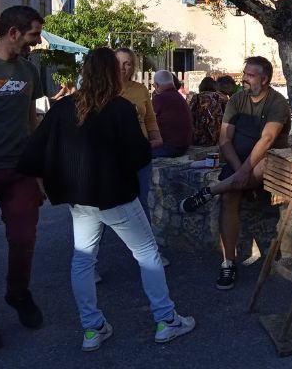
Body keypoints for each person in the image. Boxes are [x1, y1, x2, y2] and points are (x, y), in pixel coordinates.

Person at [17, 47, 194, 351]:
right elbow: (139, 154)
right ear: (112, 73)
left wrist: (47, 182)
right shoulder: (120, 108)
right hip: (116, 196)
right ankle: (166, 320)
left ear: (85, 73)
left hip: (79, 199)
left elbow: (33, 152)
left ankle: (91, 327)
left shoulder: (62, 109)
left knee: (83, 259)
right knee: (147, 253)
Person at [178, 56, 291, 290]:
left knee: (259, 166)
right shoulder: (237, 100)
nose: (244, 78)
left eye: (250, 75)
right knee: (229, 197)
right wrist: (240, 171)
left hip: (266, 160)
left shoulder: (277, 102)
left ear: (265, 79)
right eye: (245, 73)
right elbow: (224, 139)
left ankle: (210, 191)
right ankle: (228, 262)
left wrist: (245, 170)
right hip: (237, 162)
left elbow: (268, 139)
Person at [0, 6, 45, 351]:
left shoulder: (28, 70)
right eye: (33, 35)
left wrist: (38, 167)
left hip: (20, 169)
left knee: (24, 238)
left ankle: (18, 294)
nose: (36, 42)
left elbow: (31, 119)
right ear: (13, 32)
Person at [114, 48, 161, 222]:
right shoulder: (105, 89)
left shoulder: (140, 90)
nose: (122, 68)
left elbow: (149, 118)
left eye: (127, 64)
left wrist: (156, 137)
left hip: (140, 152)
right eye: (118, 63)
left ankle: (146, 246)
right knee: (108, 201)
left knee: (141, 200)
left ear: (133, 67)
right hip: (114, 155)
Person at [151, 70, 193, 157]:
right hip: (184, 146)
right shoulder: (179, 97)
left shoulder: (160, 98)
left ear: (157, 85)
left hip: (170, 147)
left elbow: (148, 119)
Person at [189, 77, 227, 146]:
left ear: (201, 86)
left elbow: (189, 115)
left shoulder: (196, 97)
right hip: (217, 137)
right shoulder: (222, 98)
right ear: (214, 86)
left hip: (199, 137)